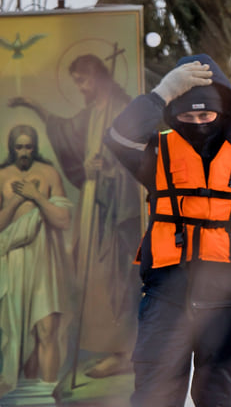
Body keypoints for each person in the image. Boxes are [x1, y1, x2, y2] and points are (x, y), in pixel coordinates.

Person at [104, 54, 231, 407]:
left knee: (216, 397)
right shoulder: (157, 151)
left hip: (227, 298)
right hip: (166, 295)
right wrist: (162, 93)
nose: (197, 123)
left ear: (222, 112)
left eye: (205, 115)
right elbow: (117, 137)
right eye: (186, 116)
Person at [9, 53, 142, 378]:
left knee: (114, 276)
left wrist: (108, 169)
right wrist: (35, 106)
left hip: (114, 211)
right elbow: (65, 131)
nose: (80, 87)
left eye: (83, 80)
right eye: (76, 82)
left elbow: (138, 162)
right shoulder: (92, 113)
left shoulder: (124, 111)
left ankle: (123, 352)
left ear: (97, 77)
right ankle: (91, 349)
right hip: (91, 206)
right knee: (84, 271)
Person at [0, 125, 72, 397]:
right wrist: (18, 199)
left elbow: (63, 220)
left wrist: (37, 196)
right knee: (17, 332)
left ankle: (48, 394)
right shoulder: (2, 175)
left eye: (28, 146)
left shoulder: (49, 173)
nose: (24, 152)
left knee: (46, 327)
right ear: (11, 147)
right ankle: (23, 395)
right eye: (19, 147)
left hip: (45, 258)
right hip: (13, 260)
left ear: (35, 147)